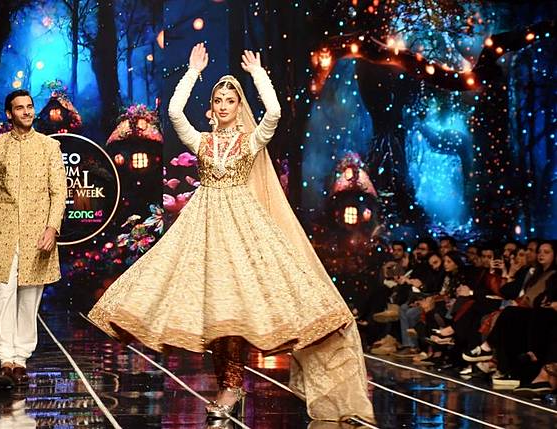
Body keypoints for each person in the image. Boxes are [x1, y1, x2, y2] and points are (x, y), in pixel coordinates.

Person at [88, 43, 374, 423]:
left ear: (239, 107)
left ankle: (234, 387)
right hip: (205, 230)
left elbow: (272, 112)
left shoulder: (250, 142)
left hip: (244, 230)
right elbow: (174, 112)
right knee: (215, 310)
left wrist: (257, 75)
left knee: (246, 306)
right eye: (218, 99)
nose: (224, 105)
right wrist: (192, 72)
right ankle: (230, 387)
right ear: (212, 107)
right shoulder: (201, 141)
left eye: (230, 100)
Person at [0, 89, 67, 389]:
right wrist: (3, 210)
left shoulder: (49, 147)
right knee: (2, 295)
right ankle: (6, 359)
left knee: (29, 298)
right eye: (20, 108)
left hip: (36, 233)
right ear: (9, 113)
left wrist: (51, 228)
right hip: (2, 235)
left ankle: (22, 359)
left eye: (29, 107)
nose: (27, 112)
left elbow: (59, 193)